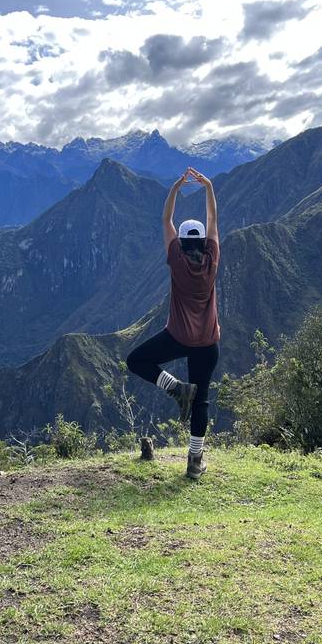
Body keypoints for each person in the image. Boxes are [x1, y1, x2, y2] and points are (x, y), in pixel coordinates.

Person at [126, 165, 220, 480]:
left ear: (179, 242)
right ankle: (195, 463)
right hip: (207, 343)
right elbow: (213, 221)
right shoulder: (212, 260)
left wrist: (176, 189)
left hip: (178, 337)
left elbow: (166, 220)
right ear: (204, 242)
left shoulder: (176, 260)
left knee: (136, 360)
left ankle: (176, 388)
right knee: (202, 399)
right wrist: (208, 188)